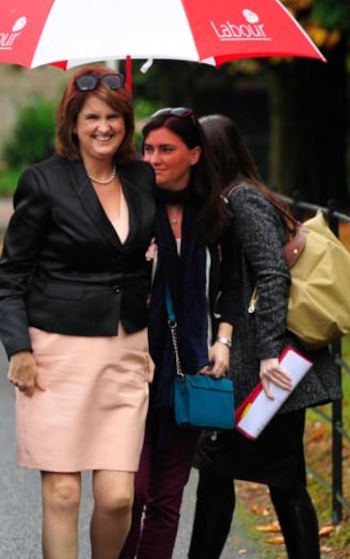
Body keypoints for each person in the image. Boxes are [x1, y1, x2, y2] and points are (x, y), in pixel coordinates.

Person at [0, 65, 157, 559]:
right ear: (72, 123)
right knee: (63, 494)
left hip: (125, 353)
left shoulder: (142, 178)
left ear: (126, 123)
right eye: (91, 117)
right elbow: (10, 275)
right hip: (55, 355)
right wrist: (18, 348)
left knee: (118, 496)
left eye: (113, 116)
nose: (103, 127)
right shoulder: (43, 182)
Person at [187, 113, 341, 559]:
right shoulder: (234, 198)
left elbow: (274, 276)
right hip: (252, 368)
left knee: (277, 479)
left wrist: (269, 353)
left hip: (264, 371)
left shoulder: (245, 202)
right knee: (229, 475)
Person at [120, 107, 236, 559]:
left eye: (166, 149)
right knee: (132, 492)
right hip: (134, 365)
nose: (154, 159)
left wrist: (223, 339)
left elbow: (233, 285)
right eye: (147, 149)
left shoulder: (216, 217)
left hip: (192, 366)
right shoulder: (130, 208)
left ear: (194, 153)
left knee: (168, 498)